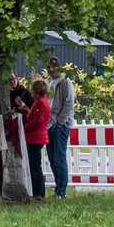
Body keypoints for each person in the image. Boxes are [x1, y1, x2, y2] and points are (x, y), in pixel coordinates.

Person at [14, 78, 51, 199]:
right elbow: (32, 115)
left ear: (36, 90)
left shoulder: (39, 102)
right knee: (35, 165)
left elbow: (37, 121)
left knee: (35, 166)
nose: (30, 92)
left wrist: (24, 128)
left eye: (32, 90)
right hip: (37, 137)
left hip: (35, 137)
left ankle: (38, 193)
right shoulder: (42, 101)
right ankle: (38, 192)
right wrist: (24, 108)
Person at [46, 57, 75, 198]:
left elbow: (68, 104)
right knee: (52, 158)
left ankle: (61, 191)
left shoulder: (65, 82)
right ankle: (58, 188)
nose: (51, 70)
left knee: (59, 158)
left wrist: (60, 122)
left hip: (60, 124)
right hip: (49, 124)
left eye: (54, 67)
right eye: (48, 67)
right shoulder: (48, 82)